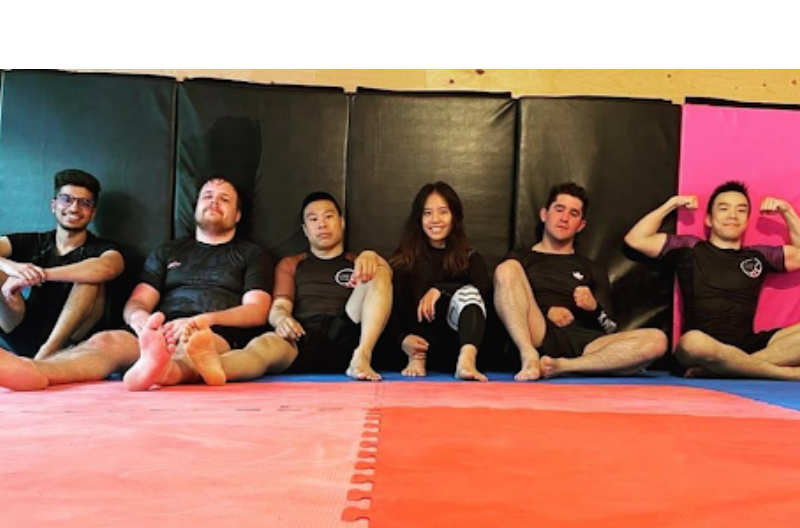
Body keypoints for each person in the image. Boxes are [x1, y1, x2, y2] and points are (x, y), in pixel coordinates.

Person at [0, 176, 273, 391]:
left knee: (194, 350)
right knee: (105, 342)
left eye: (224, 199)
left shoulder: (252, 254)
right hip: (159, 327)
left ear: (237, 214)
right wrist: (139, 319)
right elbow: (139, 301)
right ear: (195, 208)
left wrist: (203, 321)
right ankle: (37, 371)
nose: (214, 202)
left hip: (210, 331)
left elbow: (256, 311)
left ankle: (158, 370)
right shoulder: (169, 251)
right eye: (207, 196)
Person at [174, 191, 393, 386]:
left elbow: (385, 284)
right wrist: (282, 320)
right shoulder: (291, 264)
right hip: (303, 334)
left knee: (380, 271)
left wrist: (371, 256)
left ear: (341, 222)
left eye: (329, 216)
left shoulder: (360, 261)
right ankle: (216, 365)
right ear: (305, 230)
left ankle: (361, 358)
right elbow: (279, 306)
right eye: (313, 219)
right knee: (264, 345)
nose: (322, 224)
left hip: (350, 330)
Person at [624, 180, 800, 379]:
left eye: (741, 210)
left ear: (747, 220)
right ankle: (783, 373)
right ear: (709, 219)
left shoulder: (759, 255)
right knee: (693, 342)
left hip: (748, 345)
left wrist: (787, 211)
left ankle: (723, 369)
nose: (733, 215)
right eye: (724, 208)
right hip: (700, 347)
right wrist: (672, 204)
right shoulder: (690, 248)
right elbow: (636, 239)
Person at [494, 181, 668, 381]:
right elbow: (504, 304)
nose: (565, 218)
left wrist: (594, 308)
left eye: (574, 213)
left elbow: (610, 328)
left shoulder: (592, 267)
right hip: (538, 331)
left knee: (657, 340)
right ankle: (529, 356)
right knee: (507, 269)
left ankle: (563, 366)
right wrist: (546, 310)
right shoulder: (521, 258)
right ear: (544, 215)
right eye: (559, 209)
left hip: (585, 343)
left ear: (581, 225)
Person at [0, 169, 124, 360]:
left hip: (70, 342)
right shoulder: (34, 241)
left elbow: (108, 267)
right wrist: (13, 268)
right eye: (66, 199)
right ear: (53, 205)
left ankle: (44, 357)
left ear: (93, 213)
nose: (74, 208)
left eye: (85, 203)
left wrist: (40, 274)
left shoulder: (103, 248)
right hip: (22, 328)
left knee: (90, 279)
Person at [389, 182, 491, 381]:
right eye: (427, 213)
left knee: (469, 293)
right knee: (410, 278)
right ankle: (417, 357)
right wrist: (402, 339)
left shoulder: (470, 258)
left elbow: (485, 296)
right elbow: (388, 307)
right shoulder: (404, 259)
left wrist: (441, 289)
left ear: (454, 216)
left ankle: (467, 362)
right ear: (418, 218)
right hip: (415, 347)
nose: (435, 219)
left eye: (443, 212)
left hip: (455, 346)